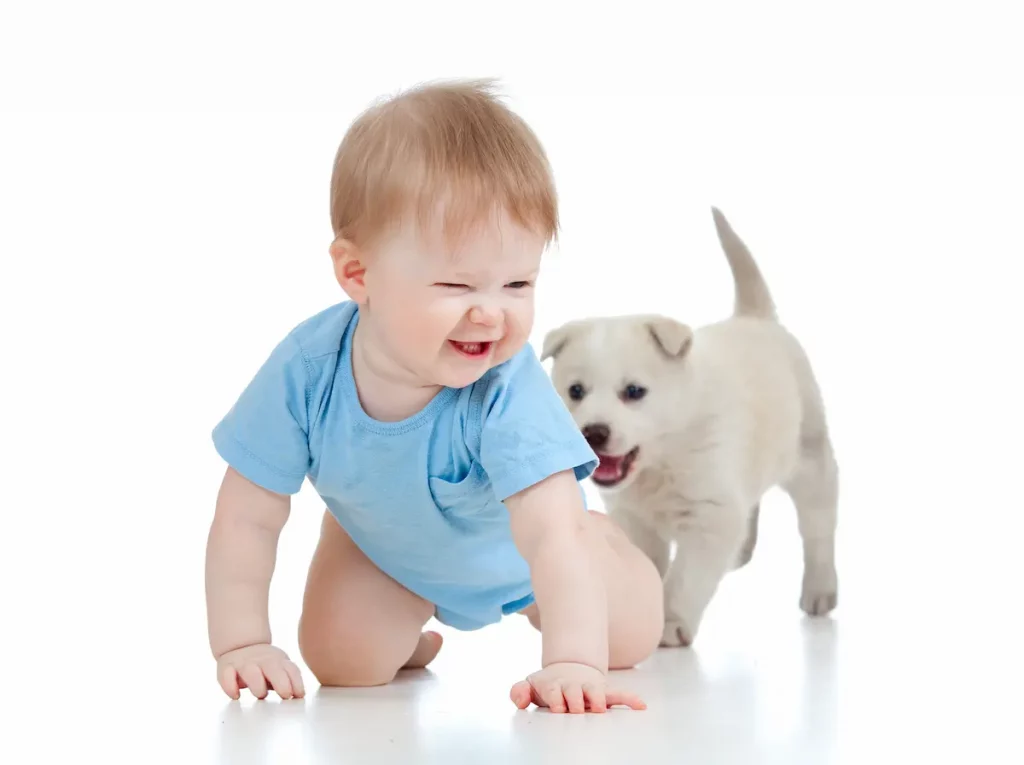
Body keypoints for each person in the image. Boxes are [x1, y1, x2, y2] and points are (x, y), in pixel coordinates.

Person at [204, 79, 663, 714]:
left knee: (627, 636)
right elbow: (246, 515)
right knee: (343, 664)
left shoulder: (506, 389)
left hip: (533, 557)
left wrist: (570, 663)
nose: (491, 314)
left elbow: (551, 539)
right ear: (358, 274)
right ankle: (403, 629)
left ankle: (607, 541)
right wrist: (242, 644)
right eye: (457, 283)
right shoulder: (307, 370)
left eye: (517, 283)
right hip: (386, 548)